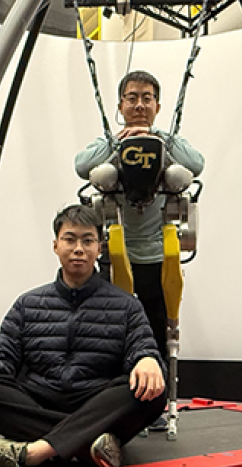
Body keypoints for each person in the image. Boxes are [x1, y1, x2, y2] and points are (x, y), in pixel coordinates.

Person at [0, 204, 167, 467]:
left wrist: (147, 359)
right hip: (39, 402)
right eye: (70, 239)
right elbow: (4, 358)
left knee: (153, 392)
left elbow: (142, 347)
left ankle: (33, 452)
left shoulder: (127, 306)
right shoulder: (27, 304)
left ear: (99, 248)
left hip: (95, 402)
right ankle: (89, 444)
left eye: (87, 240)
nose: (78, 248)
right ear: (55, 245)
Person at [74, 70, 204, 368]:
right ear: (120, 106)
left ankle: (155, 396)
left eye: (148, 98)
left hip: (158, 256)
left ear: (158, 106)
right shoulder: (111, 143)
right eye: (132, 98)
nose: (140, 105)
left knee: (157, 328)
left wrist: (156, 137)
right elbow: (82, 166)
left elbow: (196, 163)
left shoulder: (167, 144)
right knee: (113, 328)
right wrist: (117, 142)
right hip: (116, 254)